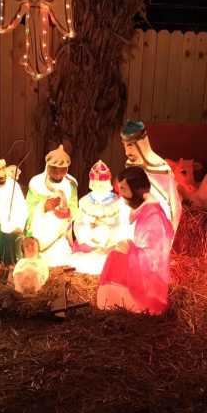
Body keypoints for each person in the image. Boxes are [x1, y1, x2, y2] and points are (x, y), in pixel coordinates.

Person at [96, 166, 174, 315]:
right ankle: (112, 300)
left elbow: (154, 256)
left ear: (138, 190)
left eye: (124, 189)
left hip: (149, 280)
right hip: (139, 264)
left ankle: (124, 302)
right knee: (114, 255)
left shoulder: (153, 217)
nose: (120, 194)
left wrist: (130, 248)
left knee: (115, 258)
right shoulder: (143, 210)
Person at [120, 120, 182, 234]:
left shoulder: (161, 169)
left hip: (156, 229)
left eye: (130, 145)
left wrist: (170, 233)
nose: (126, 152)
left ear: (142, 143)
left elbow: (175, 207)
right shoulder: (130, 165)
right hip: (133, 228)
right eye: (124, 145)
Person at [25, 144, 78, 267]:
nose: (58, 173)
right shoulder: (36, 183)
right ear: (48, 167)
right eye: (54, 168)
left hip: (60, 230)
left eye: (62, 169)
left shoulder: (71, 185)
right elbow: (28, 207)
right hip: (40, 228)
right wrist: (44, 206)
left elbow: (74, 208)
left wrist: (67, 212)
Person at [70, 160, 121, 274]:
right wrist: (87, 230)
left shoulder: (116, 202)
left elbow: (119, 224)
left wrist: (104, 226)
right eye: (96, 184)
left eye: (101, 184)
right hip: (88, 245)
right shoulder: (85, 201)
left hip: (108, 245)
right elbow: (78, 223)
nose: (99, 187)